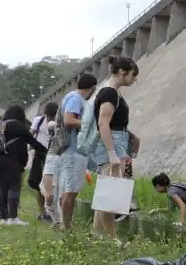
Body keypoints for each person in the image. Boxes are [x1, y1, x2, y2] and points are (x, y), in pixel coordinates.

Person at [89, 57, 139, 239]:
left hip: (117, 141)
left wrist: (131, 137)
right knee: (110, 194)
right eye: (133, 75)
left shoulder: (112, 92)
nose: (135, 79)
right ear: (122, 72)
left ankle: (97, 234)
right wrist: (112, 154)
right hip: (112, 144)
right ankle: (113, 239)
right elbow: (103, 122)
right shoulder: (109, 93)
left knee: (106, 191)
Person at [0, 105, 48, 226]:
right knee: (14, 187)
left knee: (1, 188)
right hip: (10, 159)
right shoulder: (18, 126)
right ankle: (13, 218)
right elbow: (34, 143)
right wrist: (48, 152)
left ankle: (4, 219)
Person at [56, 73, 98, 230]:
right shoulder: (76, 98)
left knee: (69, 190)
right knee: (71, 191)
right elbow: (68, 120)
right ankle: (66, 227)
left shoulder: (71, 97)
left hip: (73, 151)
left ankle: (65, 223)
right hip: (74, 151)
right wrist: (89, 125)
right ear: (92, 88)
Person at [27, 102, 58, 222]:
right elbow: (31, 134)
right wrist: (31, 145)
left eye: (52, 117)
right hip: (40, 155)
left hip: (54, 155)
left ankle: (52, 212)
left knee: (52, 185)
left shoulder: (59, 122)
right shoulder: (38, 120)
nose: (49, 119)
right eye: (48, 116)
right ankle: (43, 213)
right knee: (38, 186)